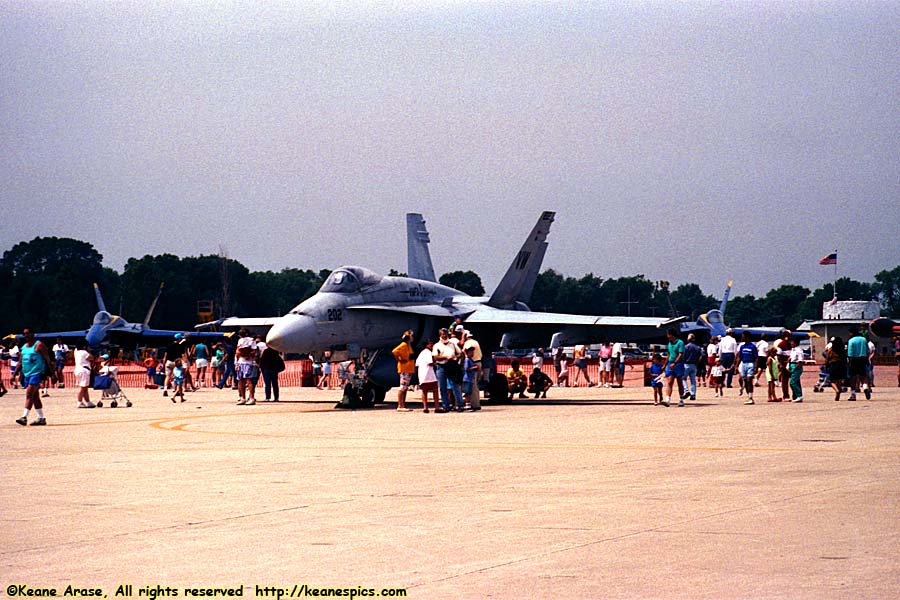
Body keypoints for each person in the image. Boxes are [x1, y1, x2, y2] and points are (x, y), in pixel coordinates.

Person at [13, 327, 52, 426]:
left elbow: (48, 359)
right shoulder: (24, 348)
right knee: (35, 396)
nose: (26, 335)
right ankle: (41, 418)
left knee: (29, 393)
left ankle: (24, 417)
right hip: (27, 374)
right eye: (24, 334)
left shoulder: (39, 345)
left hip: (37, 373)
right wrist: (14, 374)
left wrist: (52, 374)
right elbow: (20, 362)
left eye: (28, 333)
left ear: (33, 334)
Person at [432, 328, 463, 412]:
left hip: (451, 366)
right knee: (442, 387)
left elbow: (460, 353)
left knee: (455, 386)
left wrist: (456, 358)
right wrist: (445, 357)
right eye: (443, 334)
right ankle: (446, 405)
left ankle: (459, 405)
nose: (444, 336)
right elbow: (435, 357)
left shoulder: (452, 344)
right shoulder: (437, 345)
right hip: (441, 366)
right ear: (440, 335)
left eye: (446, 334)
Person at [391, 331, 415, 412]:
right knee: (402, 387)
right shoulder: (404, 345)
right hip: (404, 368)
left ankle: (403, 405)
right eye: (411, 336)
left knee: (405, 387)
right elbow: (394, 351)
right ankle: (400, 405)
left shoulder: (408, 346)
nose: (413, 338)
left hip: (408, 368)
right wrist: (399, 359)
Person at [235, 328, 258, 405]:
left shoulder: (251, 340)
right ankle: (243, 398)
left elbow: (254, 351)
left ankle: (251, 398)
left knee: (248, 381)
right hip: (242, 361)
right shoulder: (240, 340)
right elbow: (237, 351)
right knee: (241, 380)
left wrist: (247, 355)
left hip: (248, 362)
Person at [846, 327, 871, 401]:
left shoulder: (851, 341)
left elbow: (850, 353)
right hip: (863, 359)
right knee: (863, 376)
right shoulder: (864, 339)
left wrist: (849, 363)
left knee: (853, 377)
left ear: (852, 333)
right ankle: (865, 387)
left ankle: (853, 394)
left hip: (854, 360)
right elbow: (867, 351)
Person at [415, 339, 439, 413]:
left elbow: (416, 364)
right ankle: (437, 407)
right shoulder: (428, 353)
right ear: (426, 345)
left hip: (422, 374)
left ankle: (425, 407)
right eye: (430, 344)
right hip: (429, 374)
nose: (431, 345)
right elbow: (430, 363)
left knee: (424, 391)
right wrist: (437, 362)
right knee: (435, 390)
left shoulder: (421, 353)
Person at [663, 328, 685, 407]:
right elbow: (669, 354)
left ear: (672, 335)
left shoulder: (680, 343)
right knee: (669, 382)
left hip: (678, 364)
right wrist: (665, 365)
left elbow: (680, 354)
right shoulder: (669, 343)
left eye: (668, 334)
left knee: (679, 382)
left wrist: (675, 363)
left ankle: (681, 399)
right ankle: (667, 400)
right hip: (670, 363)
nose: (667, 336)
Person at [462, 330, 483, 410]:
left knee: (473, 386)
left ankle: (474, 404)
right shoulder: (476, 342)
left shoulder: (468, 343)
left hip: (473, 363)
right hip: (478, 362)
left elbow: (464, 351)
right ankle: (475, 403)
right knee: (475, 385)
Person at [160, 333, 186, 398]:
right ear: (179, 339)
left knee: (167, 376)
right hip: (176, 363)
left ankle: (165, 389)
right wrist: (185, 363)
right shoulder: (180, 347)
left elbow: (165, 356)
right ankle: (175, 390)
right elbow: (183, 356)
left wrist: (163, 364)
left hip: (168, 362)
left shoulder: (169, 346)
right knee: (175, 377)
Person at [736, 332, 758, 405]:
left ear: (747, 337)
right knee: (745, 381)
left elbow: (756, 358)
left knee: (749, 380)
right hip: (743, 364)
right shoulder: (742, 346)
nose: (742, 338)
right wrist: (736, 365)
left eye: (743, 337)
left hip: (750, 363)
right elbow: (740, 357)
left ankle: (751, 397)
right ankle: (748, 396)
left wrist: (755, 367)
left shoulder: (752, 346)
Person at [824, 336, 847, 402]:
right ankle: (839, 390)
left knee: (832, 380)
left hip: (833, 365)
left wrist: (826, 365)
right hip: (841, 365)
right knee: (839, 379)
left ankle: (837, 390)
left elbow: (827, 358)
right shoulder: (843, 350)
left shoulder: (831, 350)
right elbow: (845, 358)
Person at [73, 340, 95, 409]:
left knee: (85, 387)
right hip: (84, 370)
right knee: (83, 388)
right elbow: (91, 358)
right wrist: (88, 350)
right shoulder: (84, 352)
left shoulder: (76, 351)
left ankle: (88, 401)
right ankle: (79, 401)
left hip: (78, 369)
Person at [682, 334, 702, 401]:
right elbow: (701, 356)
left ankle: (686, 390)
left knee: (683, 378)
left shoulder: (686, 347)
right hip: (694, 365)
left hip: (686, 364)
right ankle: (693, 394)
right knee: (693, 380)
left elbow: (683, 356)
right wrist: (697, 363)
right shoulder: (698, 347)